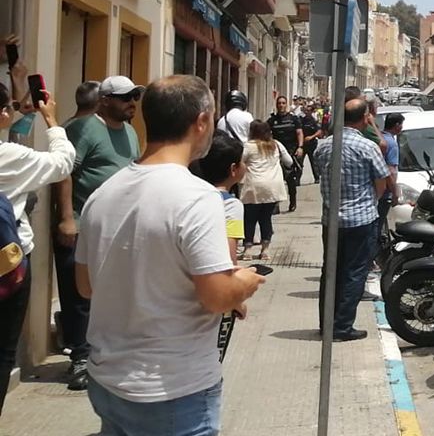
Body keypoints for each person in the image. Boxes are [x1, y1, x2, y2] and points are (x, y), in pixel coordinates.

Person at [77, 75, 265, 435]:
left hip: (107, 381)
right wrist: (243, 282)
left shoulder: (103, 193)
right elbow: (216, 297)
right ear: (202, 121)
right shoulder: (198, 197)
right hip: (173, 391)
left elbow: (86, 286)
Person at [53, 74, 142, 391]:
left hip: (118, 229)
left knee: (111, 294)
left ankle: (105, 356)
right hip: (81, 226)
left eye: (135, 97)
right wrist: (66, 218)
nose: (132, 103)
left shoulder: (130, 132)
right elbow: (64, 171)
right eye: (125, 97)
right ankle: (79, 357)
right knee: (78, 296)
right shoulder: (84, 128)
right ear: (104, 100)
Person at [0, 66, 75, 415]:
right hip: (8, 268)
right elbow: (62, 162)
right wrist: (53, 121)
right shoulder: (9, 158)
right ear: (2, 113)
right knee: (2, 351)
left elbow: (13, 133)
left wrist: (17, 95)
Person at [313, 98, 391, 341]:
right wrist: (371, 201)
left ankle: (327, 324)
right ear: (365, 117)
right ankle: (342, 326)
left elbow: (319, 171)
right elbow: (382, 180)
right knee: (354, 273)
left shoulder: (324, 146)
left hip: (332, 220)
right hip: (361, 219)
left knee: (331, 271)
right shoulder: (367, 147)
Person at [190, 132, 248, 262]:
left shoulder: (193, 195)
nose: (245, 165)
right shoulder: (231, 205)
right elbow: (229, 256)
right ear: (233, 169)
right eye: (242, 161)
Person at [240, 121, 291, 261]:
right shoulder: (276, 145)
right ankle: (265, 250)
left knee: (249, 219)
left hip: (253, 186)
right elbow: (289, 162)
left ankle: (248, 250)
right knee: (266, 218)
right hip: (272, 187)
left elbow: (240, 162)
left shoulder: (249, 147)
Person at [267, 95, 305, 211]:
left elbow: (299, 133)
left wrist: (300, 147)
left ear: (286, 104)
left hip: (290, 152)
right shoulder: (272, 120)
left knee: (290, 179)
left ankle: (292, 201)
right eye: (279, 103)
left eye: (283, 103)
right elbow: (266, 135)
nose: (281, 105)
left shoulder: (293, 119)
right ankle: (275, 205)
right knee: (275, 180)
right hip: (276, 153)